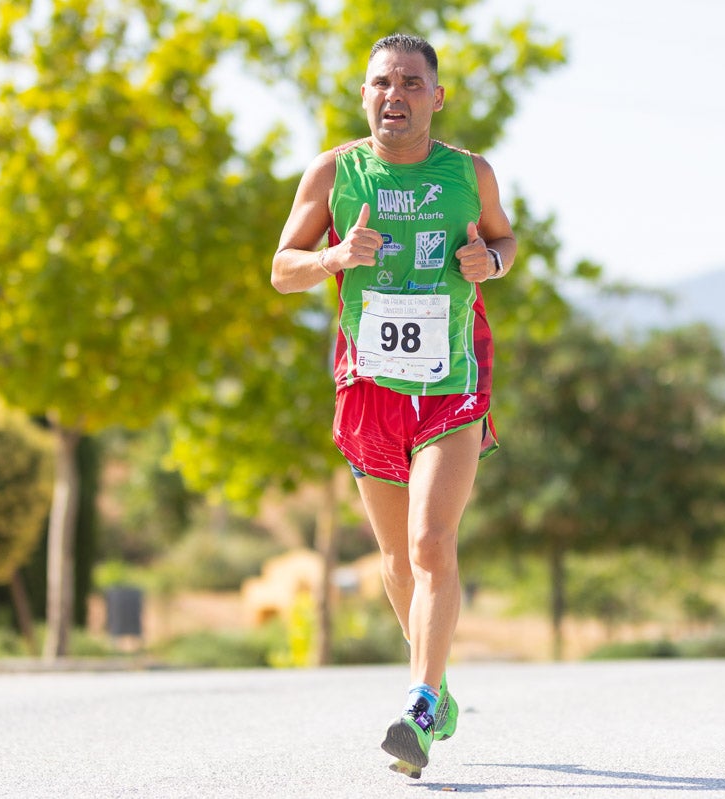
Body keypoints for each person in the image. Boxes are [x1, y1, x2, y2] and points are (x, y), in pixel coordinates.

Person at [271, 33, 517, 777]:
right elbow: (283, 270)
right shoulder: (335, 172)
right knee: (394, 560)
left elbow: (506, 241)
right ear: (365, 94)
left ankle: (417, 702)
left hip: (451, 379)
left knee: (430, 543)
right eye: (383, 82)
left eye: (412, 82)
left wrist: (490, 261)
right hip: (369, 385)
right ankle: (436, 686)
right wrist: (334, 258)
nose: (396, 94)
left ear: (436, 98)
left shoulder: (468, 173)